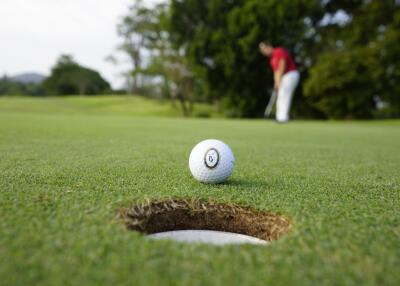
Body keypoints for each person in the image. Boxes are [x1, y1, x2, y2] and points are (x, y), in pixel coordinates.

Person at [259, 41, 300, 123]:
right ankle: (280, 117)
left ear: (269, 46)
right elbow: (276, 71)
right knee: (281, 95)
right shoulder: (272, 59)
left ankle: (283, 118)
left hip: (290, 74)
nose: (265, 52)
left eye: (265, 50)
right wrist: (276, 83)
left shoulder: (278, 51)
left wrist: (279, 79)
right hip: (284, 76)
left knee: (284, 95)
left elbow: (282, 65)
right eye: (263, 52)